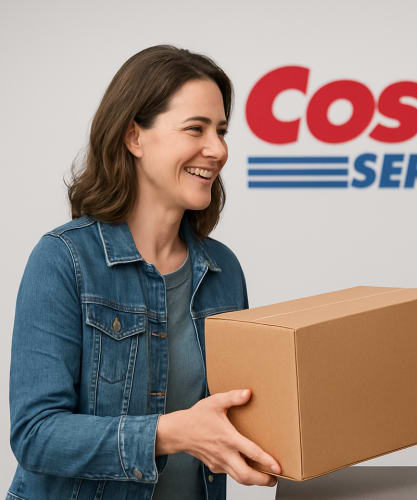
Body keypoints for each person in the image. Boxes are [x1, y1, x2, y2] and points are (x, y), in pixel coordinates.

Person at [8, 45, 281, 499]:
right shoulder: (64, 259)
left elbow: (228, 418)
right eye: (196, 128)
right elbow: (36, 434)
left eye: (221, 131)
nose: (217, 150)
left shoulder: (222, 269)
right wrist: (172, 432)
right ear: (135, 137)